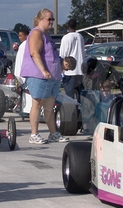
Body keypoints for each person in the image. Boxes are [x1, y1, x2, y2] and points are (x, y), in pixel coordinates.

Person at [20, 8, 68, 144]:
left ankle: (53, 133)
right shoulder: (36, 33)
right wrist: (43, 70)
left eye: (53, 19)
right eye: (49, 19)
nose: (52, 21)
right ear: (41, 19)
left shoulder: (47, 35)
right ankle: (34, 134)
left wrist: (61, 64)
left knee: (49, 106)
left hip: (52, 76)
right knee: (37, 104)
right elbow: (34, 53)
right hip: (39, 76)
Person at [59, 19, 85, 101]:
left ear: (68, 26)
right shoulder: (80, 37)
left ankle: (71, 108)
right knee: (80, 94)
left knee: (69, 96)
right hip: (80, 70)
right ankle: (80, 107)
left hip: (69, 71)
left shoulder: (66, 37)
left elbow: (62, 54)